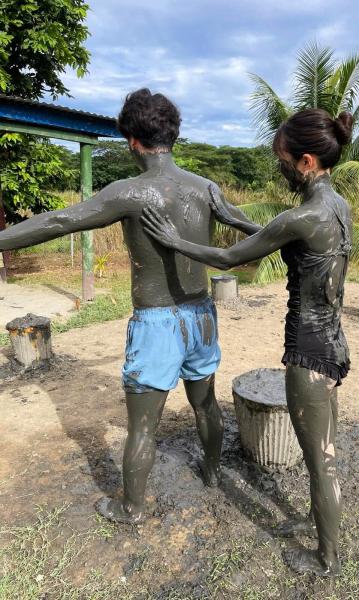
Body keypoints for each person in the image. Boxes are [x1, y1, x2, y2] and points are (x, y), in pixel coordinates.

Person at [0, 88, 258, 524]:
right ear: (172, 135)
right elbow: (260, 233)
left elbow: (59, 221)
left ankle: (131, 507)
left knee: (142, 426)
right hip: (202, 318)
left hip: (156, 323)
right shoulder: (206, 189)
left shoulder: (128, 192)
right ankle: (213, 474)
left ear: (133, 141)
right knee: (205, 406)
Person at [141, 108, 353, 576]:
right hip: (336, 348)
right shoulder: (337, 208)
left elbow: (229, 258)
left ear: (305, 163)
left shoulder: (301, 216)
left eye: (280, 158)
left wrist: (176, 241)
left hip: (309, 355)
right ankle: (325, 535)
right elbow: (271, 239)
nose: (277, 166)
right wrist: (231, 219)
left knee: (322, 465)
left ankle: (326, 558)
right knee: (327, 455)